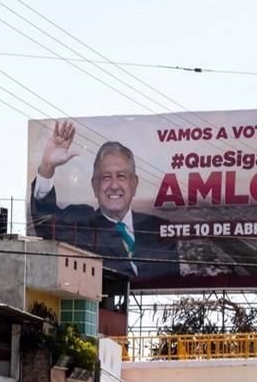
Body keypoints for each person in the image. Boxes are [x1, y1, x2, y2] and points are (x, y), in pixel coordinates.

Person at [30, 120, 180, 283]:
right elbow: (45, 223)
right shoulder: (82, 223)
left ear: (134, 184)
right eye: (106, 177)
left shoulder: (159, 230)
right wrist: (47, 166)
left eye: (121, 176)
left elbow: (172, 280)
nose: (114, 186)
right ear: (95, 185)